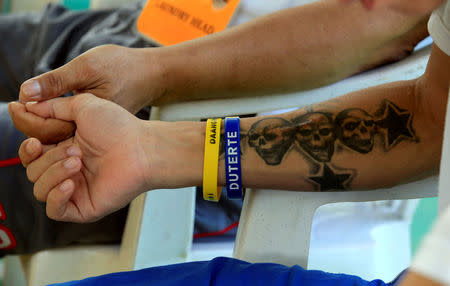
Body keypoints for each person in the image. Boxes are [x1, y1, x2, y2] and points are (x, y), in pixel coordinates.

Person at [12, 0, 450, 285]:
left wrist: (159, 80)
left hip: (207, 97)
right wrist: (158, 149)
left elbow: (380, 18)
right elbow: (429, 120)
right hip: (145, 31)